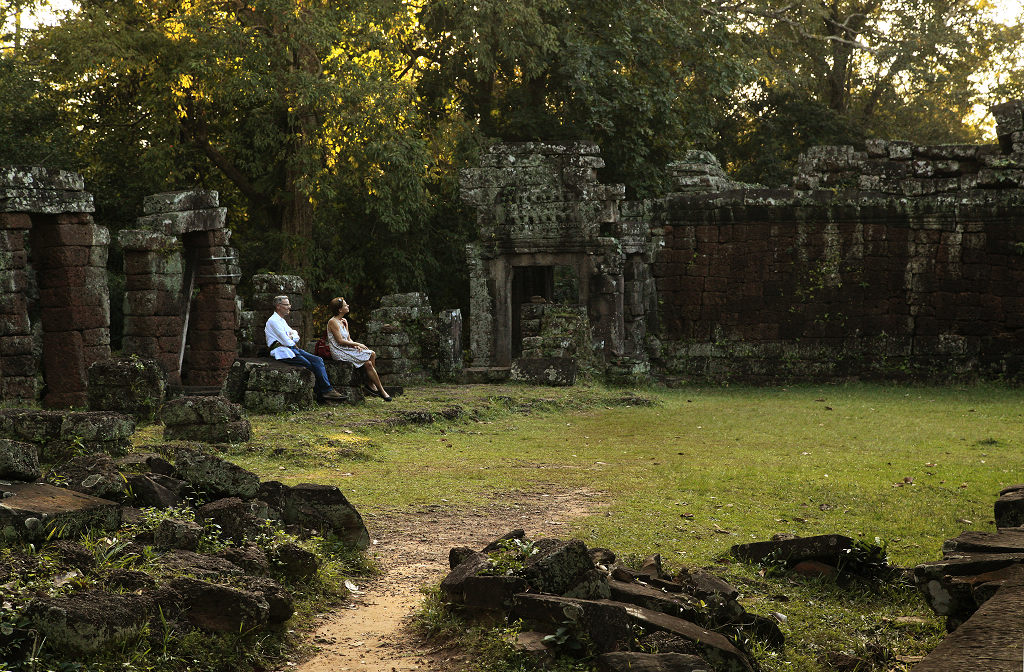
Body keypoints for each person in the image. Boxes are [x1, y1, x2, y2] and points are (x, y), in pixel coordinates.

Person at [265, 295, 343, 400]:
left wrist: (291, 336)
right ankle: (320, 394)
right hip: (282, 351)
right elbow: (287, 341)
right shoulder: (273, 321)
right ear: (278, 306)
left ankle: (327, 390)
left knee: (318, 360)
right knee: (308, 364)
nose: (289, 307)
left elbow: (296, 335)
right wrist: (291, 336)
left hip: (292, 349)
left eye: (289, 304)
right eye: (286, 304)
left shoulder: (281, 320)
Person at [327, 296, 392, 401]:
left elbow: (348, 338)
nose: (348, 306)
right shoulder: (332, 322)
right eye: (345, 305)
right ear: (340, 310)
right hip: (339, 351)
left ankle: (370, 383)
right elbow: (340, 341)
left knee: (370, 360)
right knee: (371, 354)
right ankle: (381, 390)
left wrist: (355, 345)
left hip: (346, 348)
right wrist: (358, 344)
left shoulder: (344, 321)